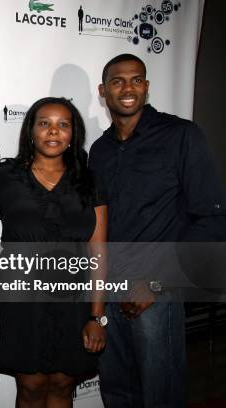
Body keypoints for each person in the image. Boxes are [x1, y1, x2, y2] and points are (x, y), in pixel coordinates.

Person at [89, 53, 226, 407]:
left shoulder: (181, 135)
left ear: (147, 87)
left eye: (136, 79)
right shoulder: (100, 151)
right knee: (117, 392)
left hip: (155, 294)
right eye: (118, 81)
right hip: (110, 290)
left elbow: (212, 218)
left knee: (161, 396)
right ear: (104, 91)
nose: (128, 88)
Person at [0, 97, 107, 408]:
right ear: (31, 130)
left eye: (63, 124)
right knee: (29, 387)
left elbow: (98, 251)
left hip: (74, 300)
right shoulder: (5, 176)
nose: (53, 131)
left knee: (62, 384)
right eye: (44, 123)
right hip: (22, 301)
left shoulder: (90, 180)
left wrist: (97, 317)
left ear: (73, 133)